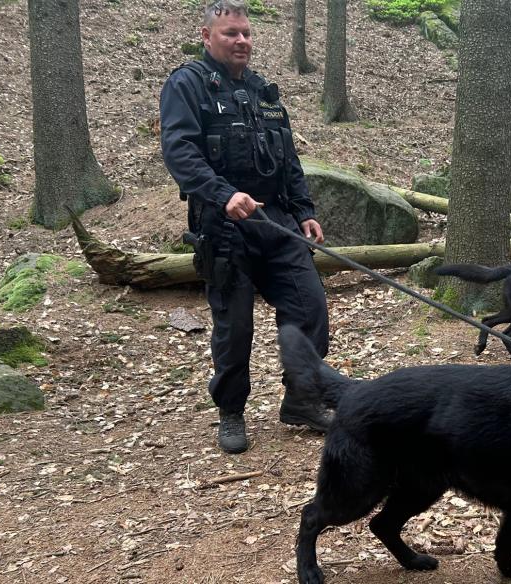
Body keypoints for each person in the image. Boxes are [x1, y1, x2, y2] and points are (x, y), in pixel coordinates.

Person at [159, 0, 332, 454]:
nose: (241, 41)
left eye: (246, 33)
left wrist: (304, 209)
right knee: (235, 328)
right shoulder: (187, 85)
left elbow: (288, 159)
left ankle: (301, 398)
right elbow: (179, 151)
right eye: (230, 33)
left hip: (276, 221)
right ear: (207, 36)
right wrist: (221, 194)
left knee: (309, 307)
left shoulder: (263, 93)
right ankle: (231, 412)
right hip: (224, 224)